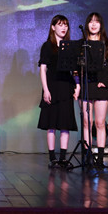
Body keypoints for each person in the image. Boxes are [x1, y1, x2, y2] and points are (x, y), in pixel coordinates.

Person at [37, 15, 80, 168]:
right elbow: (43, 69)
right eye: (60, 24)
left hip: (66, 86)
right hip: (52, 86)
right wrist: (46, 90)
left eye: (66, 25)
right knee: (51, 124)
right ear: (53, 27)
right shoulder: (47, 46)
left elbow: (75, 70)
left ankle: (63, 158)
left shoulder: (70, 47)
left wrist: (77, 86)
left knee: (64, 124)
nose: (63, 28)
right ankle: (52, 158)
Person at [80, 12, 108, 168]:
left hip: (101, 86)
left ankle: (100, 158)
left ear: (101, 25)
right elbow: (76, 66)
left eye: (97, 21)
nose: (94, 24)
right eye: (91, 21)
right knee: (86, 122)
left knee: (100, 123)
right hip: (86, 85)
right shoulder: (82, 43)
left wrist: (105, 81)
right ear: (87, 24)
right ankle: (87, 156)